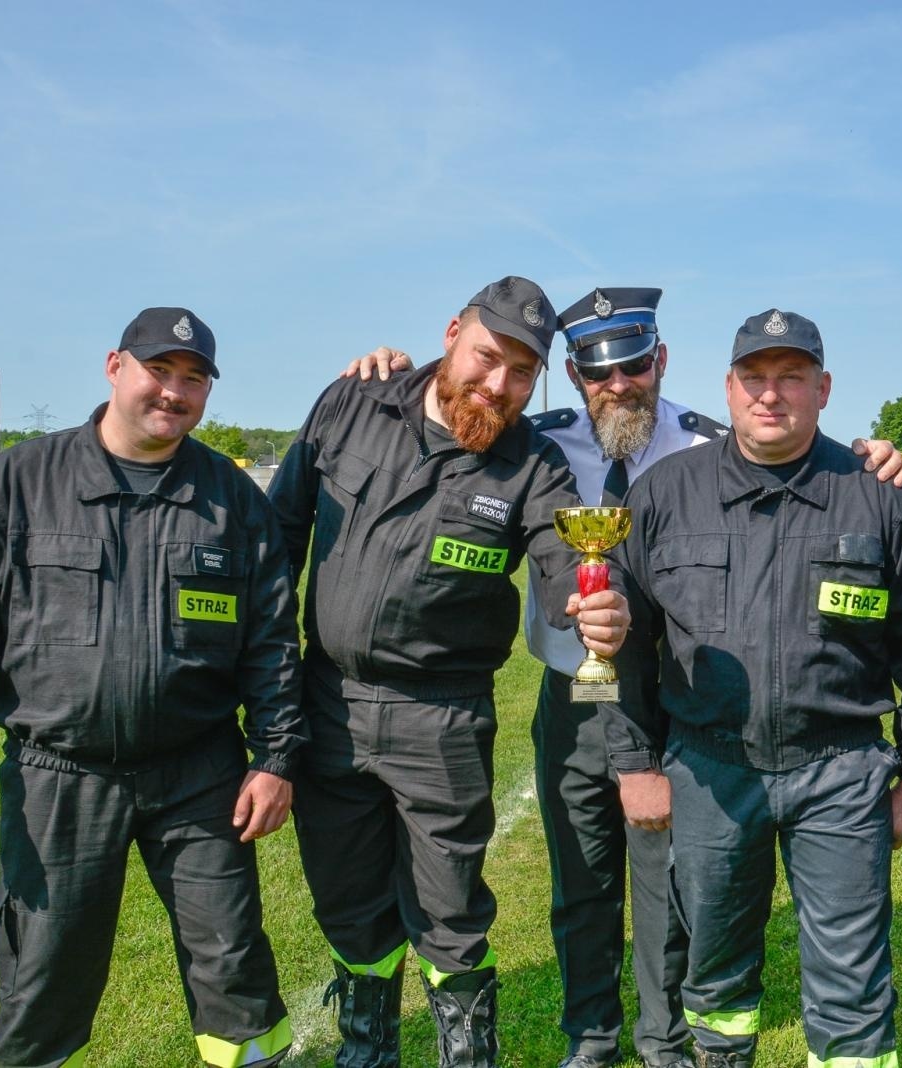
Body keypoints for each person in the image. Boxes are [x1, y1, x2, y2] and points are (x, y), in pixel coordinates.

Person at [345, 288, 902, 1068]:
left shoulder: (708, 441)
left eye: (635, 366)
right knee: (581, 879)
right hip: (574, 693)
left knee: (667, 883)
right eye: (597, 371)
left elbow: (797, 459)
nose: (619, 385)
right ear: (575, 376)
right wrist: (393, 374)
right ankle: (591, 1037)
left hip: (668, 695)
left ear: (661, 361)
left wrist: (876, 456)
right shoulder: (531, 442)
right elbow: (445, 422)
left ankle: (665, 1038)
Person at [0, 308, 307, 1068]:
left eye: (194, 378)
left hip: (200, 775)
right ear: (115, 367)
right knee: (45, 978)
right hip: (59, 778)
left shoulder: (233, 499)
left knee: (234, 965)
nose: (174, 391)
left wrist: (275, 758)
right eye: (159, 370)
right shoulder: (18, 482)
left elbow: (272, 642)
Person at [268, 276, 630, 1068]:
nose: (498, 385)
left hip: (443, 720)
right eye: (486, 357)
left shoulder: (532, 463)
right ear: (450, 336)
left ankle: (467, 1055)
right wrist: (267, 695)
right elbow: (278, 540)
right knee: (349, 905)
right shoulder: (351, 403)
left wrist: (591, 605)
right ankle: (366, 1052)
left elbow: (563, 560)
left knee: (451, 912)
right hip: (328, 703)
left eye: (522, 373)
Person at [613, 308, 902, 1068]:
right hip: (710, 768)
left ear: (823, 389)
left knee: (852, 976)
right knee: (714, 962)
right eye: (754, 378)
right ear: (728, 388)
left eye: (791, 378)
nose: (770, 395)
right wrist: (634, 763)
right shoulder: (665, 493)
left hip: (841, 769)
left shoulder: (880, 496)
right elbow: (624, 647)